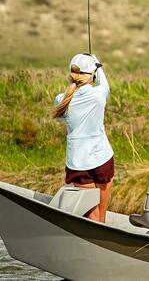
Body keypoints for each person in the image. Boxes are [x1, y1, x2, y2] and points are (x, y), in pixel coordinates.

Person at [52, 52, 114, 222]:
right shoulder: (98, 94)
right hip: (102, 157)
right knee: (101, 215)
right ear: (91, 74)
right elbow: (104, 84)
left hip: (78, 162)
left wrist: (94, 67)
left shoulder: (60, 99)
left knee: (92, 216)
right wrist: (97, 64)